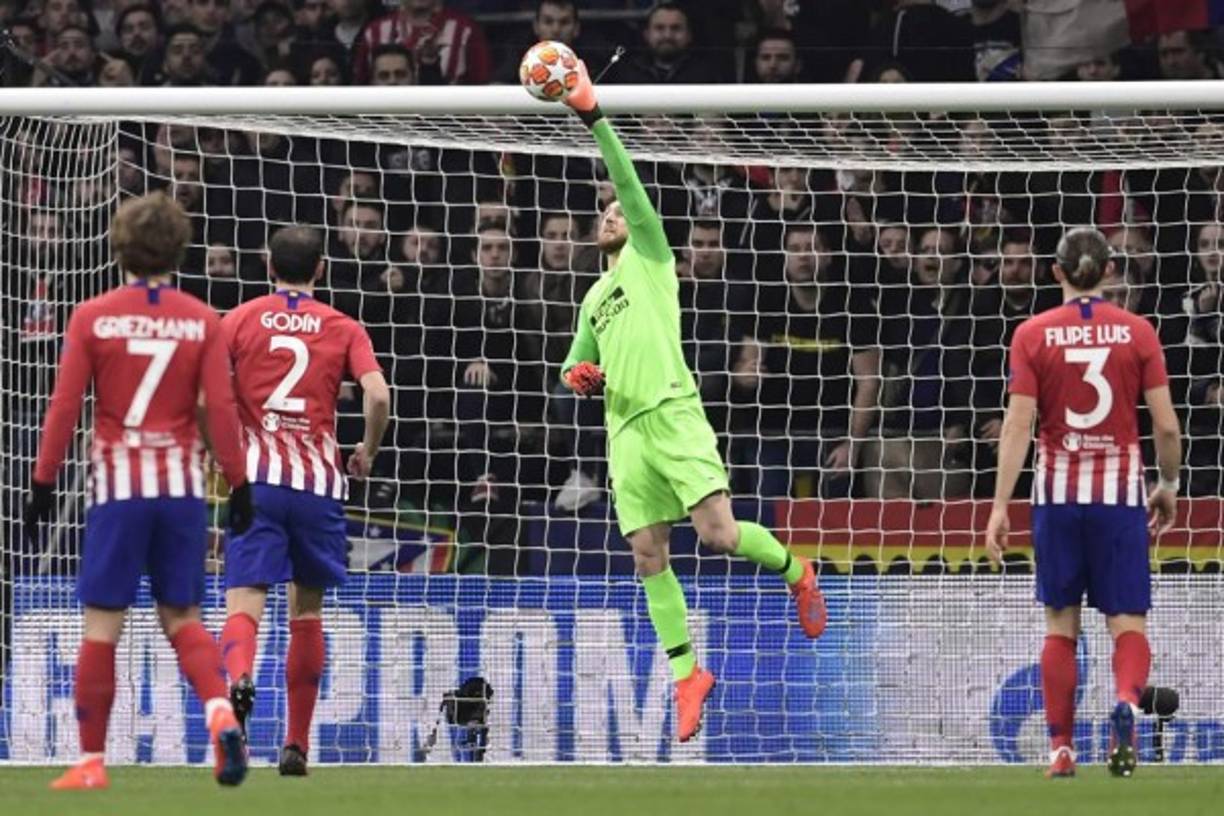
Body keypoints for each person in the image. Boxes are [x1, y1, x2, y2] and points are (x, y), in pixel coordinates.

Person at [557, 58, 826, 743]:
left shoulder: (651, 256)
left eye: (619, 209)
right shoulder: (593, 296)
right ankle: (687, 676)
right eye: (605, 214)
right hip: (626, 435)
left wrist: (594, 115)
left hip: (674, 412)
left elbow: (625, 180)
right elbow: (574, 360)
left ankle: (798, 570)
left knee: (720, 535)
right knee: (649, 554)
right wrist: (577, 376)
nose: (613, 212)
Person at [23, 191, 253, 790]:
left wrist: (43, 482)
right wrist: (240, 481)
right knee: (183, 617)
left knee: (102, 624)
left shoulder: (92, 315)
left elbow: (65, 407)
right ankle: (220, 713)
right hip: (180, 488)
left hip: (119, 486)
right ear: (179, 247)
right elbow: (220, 408)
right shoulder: (202, 319)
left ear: (118, 243)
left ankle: (91, 763)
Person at [984, 227, 1182, 779]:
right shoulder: (1139, 332)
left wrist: (1000, 506)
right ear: (1110, 271)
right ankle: (1124, 699)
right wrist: (1167, 484)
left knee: (1059, 626)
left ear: (1057, 272)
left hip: (1058, 496)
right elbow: (1166, 426)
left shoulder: (1031, 334)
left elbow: (1018, 425)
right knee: (1128, 623)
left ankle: (1061, 750)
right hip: (1120, 497)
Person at [218, 225, 390, 776]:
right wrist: (366, 449)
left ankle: (239, 694)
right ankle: (296, 744)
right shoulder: (342, 326)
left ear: (270, 267)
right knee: (307, 611)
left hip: (257, 480)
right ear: (321, 269)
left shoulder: (239, 319)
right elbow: (379, 394)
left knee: (245, 600)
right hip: (317, 485)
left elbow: (208, 392)